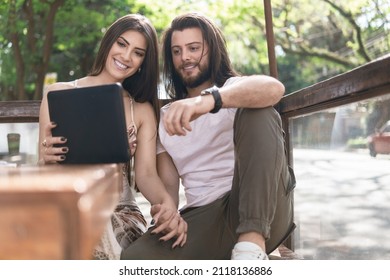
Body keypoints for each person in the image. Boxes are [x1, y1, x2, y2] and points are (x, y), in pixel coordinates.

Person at [121, 12, 296, 260]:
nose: (186, 57)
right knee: (134, 259)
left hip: (262, 207)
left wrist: (207, 101)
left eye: (194, 48)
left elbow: (274, 89)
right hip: (205, 218)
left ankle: (251, 245)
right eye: (177, 51)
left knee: (259, 111)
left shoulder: (235, 90)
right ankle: (239, 250)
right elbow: (168, 189)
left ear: (213, 50)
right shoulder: (167, 116)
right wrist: (167, 214)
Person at [38, 14, 187, 260]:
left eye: (138, 53)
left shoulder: (140, 110)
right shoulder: (57, 94)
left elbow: (147, 175)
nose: (127, 57)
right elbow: (45, 174)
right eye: (122, 44)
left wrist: (168, 205)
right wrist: (47, 160)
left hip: (120, 212)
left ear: (142, 63)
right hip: (68, 204)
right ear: (108, 43)